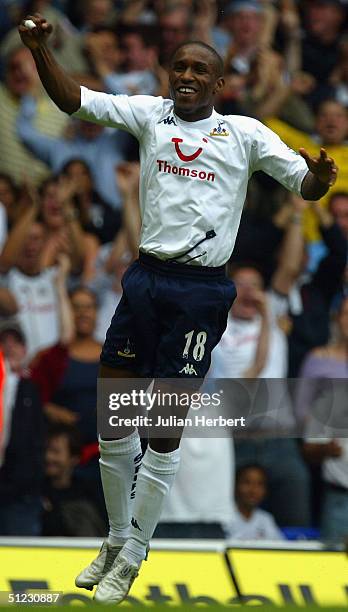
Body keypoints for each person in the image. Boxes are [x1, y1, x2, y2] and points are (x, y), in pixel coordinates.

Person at [18, 14, 338, 604]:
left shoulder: (245, 133)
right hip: (145, 280)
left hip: (199, 292)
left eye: (200, 70)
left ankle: (136, 554)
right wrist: (40, 50)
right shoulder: (148, 114)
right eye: (180, 67)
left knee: (162, 431)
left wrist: (319, 176)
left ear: (218, 84)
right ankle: (116, 540)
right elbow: (72, 101)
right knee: (114, 422)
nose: (187, 76)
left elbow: (307, 187)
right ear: (169, 74)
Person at [224, 464, 284, 541]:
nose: (253, 490)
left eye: (259, 484)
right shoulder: (224, 518)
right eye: (246, 482)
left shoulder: (266, 519)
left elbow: (280, 547)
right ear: (234, 485)